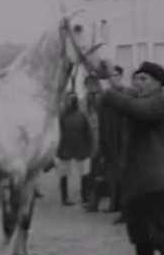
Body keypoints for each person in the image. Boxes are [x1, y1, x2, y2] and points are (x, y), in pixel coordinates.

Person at [100, 61, 164, 255]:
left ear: (158, 83)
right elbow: (128, 105)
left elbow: (137, 110)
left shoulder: (163, 101)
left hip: (157, 179)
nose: (138, 82)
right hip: (137, 180)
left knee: (163, 232)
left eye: (144, 79)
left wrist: (110, 93)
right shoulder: (142, 100)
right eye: (136, 78)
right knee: (139, 232)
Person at [99, 65, 133, 223]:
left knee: (125, 174)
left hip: (125, 139)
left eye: (116, 75)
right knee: (112, 173)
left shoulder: (128, 93)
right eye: (110, 76)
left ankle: (125, 209)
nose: (113, 79)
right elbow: (102, 120)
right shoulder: (105, 96)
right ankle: (114, 204)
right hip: (110, 138)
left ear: (121, 76)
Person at [57, 91, 92, 206]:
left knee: (85, 173)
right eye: (68, 100)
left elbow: (88, 132)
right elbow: (58, 132)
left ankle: (85, 197)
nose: (70, 102)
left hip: (81, 147)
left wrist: (89, 148)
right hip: (65, 147)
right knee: (64, 173)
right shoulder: (62, 116)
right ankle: (65, 198)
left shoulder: (82, 115)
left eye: (73, 99)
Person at [83, 74, 103, 212]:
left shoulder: (100, 98)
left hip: (100, 140)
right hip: (89, 141)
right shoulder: (85, 100)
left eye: (93, 83)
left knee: (96, 173)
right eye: (88, 84)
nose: (91, 86)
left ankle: (93, 202)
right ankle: (90, 200)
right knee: (89, 173)